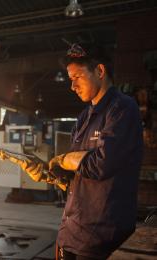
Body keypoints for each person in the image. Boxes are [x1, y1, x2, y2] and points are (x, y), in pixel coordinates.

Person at [21, 42, 143, 259]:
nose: (72, 86)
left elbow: (101, 164)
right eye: (70, 79)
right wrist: (49, 173)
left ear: (100, 71)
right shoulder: (83, 118)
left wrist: (64, 159)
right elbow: (77, 175)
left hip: (101, 237)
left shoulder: (123, 108)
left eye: (77, 77)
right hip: (71, 231)